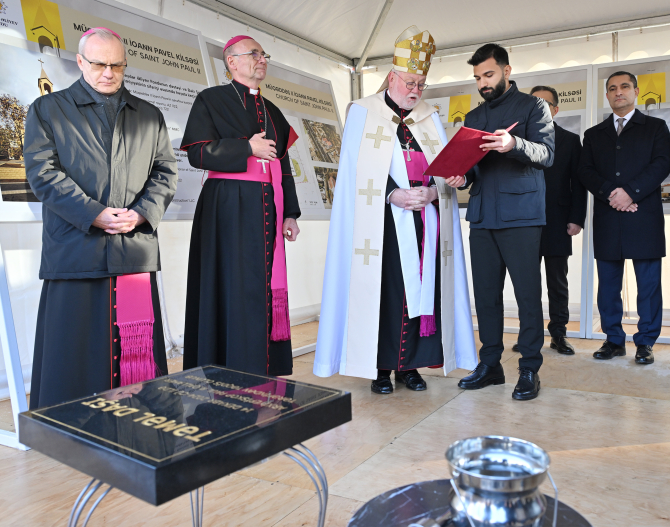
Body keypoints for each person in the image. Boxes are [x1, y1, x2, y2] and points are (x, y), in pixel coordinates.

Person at [314, 26, 476, 393]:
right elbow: (354, 171)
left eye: (421, 84)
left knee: (422, 290)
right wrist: (392, 195)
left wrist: (434, 192)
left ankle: (410, 367)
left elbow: (443, 167)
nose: (416, 90)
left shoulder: (429, 117)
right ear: (392, 78)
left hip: (424, 222)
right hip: (380, 223)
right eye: (410, 83)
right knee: (386, 292)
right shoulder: (363, 112)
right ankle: (381, 368)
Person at [24, 27, 177, 408]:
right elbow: (43, 173)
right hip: (76, 249)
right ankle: (72, 424)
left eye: (117, 65)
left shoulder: (149, 115)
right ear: (80, 62)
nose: (108, 73)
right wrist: (94, 214)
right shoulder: (48, 110)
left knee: (135, 353)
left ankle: (138, 420)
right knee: (73, 354)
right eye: (98, 64)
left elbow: (165, 173)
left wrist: (140, 214)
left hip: (132, 250)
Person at [181, 35, 301, 376]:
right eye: (254, 54)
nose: (262, 60)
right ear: (231, 61)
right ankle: (228, 365)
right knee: (231, 286)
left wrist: (290, 213)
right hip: (227, 207)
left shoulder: (272, 110)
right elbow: (197, 154)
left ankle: (264, 366)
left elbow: (283, 164)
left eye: (264, 55)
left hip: (268, 207)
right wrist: (246, 148)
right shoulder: (210, 100)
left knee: (262, 286)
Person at [446, 43, 555, 401]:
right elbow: (472, 167)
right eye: (478, 77)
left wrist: (514, 144)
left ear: (507, 71)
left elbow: (547, 154)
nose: (483, 83)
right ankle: (490, 365)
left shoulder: (533, 106)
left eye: (489, 75)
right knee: (486, 297)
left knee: (527, 296)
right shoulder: (473, 117)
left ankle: (529, 369)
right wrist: (462, 177)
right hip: (482, 217)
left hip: (521, 216)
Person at [578, 71, 670, 365]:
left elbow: (661, 165)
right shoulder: (594, 134)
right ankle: (613, 340)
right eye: (612, 88)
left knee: (648, 286)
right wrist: (612, 194)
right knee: (608, 287)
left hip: (644, 217)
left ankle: (646, 342)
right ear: (607, 95)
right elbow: (585, 171)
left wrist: (630, 193)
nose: (619, 92)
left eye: (625, 86)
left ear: (636, 91)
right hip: (608, 217)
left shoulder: (655, 127)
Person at [510, 86, 586, 356]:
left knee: (557, 281)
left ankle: (558, 334)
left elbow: (578, 183)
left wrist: (577, 218)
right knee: (526, 283)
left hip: (558, 220)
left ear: (555, 110)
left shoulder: (570, 140)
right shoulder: (516, 139)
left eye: (544, 104)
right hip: (523, 221)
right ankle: (529, 335)